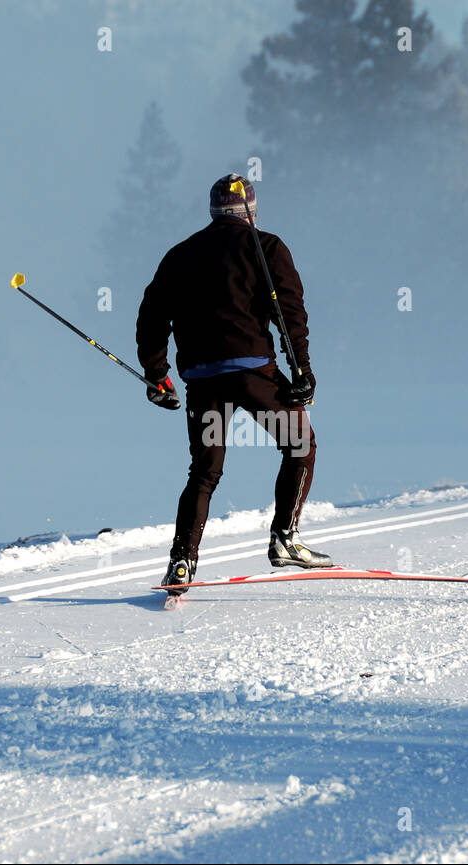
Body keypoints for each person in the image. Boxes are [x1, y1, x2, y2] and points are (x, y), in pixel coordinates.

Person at [137, 173, 332, 592]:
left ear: (212, 211)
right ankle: (285, 538)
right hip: (252, 374)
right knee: (300, 445)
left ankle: (181, 564)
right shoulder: (267, 247)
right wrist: (302, 370)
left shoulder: (180, 254)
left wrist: (158, 376)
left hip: (203, 380)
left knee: (204, 473)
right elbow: (291, 315)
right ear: (251, 211)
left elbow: (151, 318)